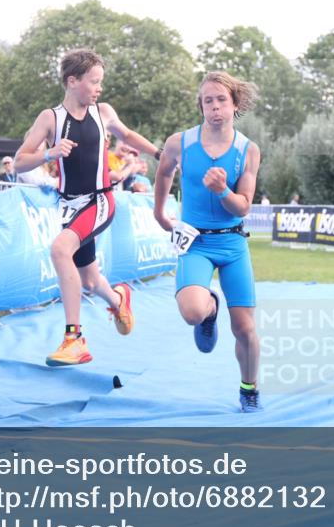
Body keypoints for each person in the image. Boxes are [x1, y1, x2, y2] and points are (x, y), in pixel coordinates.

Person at [14, 48, 161, 367]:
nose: (99, 88)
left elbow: (129, 134)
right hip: (69, 206)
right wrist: (49, 154)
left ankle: (74, 339)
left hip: (100, 200)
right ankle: (118, 298)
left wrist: (159, 154)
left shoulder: (103, 112)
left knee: (59, 250)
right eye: (94, 82)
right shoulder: (49, 118)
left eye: (100, 82)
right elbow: (19, 161)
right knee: (91, 281)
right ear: (72, 81)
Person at [153, 71, 263, 413]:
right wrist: (160, 213)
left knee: (244, 328)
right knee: (192, 312)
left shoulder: (248, 150)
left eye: (221, 100)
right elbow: (163, 173)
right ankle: (209, 309)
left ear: (235, 104)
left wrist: (222, 191)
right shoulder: (179, 142)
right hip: (195, 242)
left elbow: (243, 206)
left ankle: (249, 389)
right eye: (207, 101)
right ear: (200, 105)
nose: (214, 108)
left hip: (232, 244)